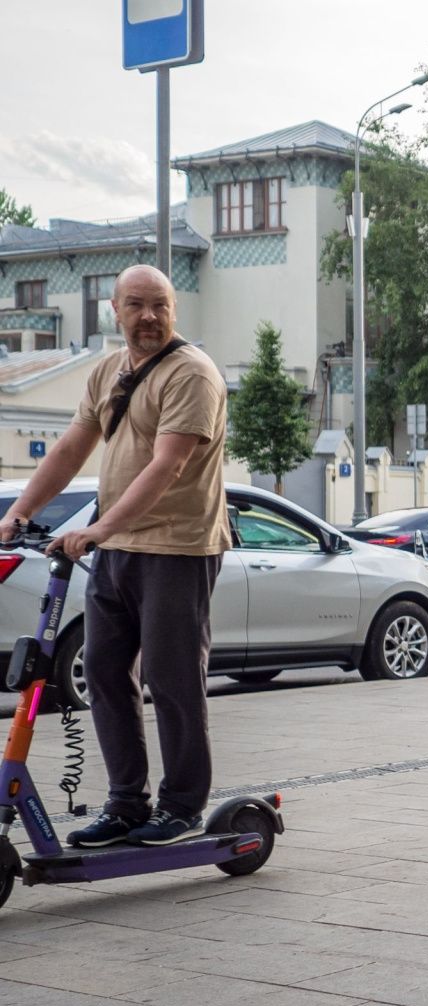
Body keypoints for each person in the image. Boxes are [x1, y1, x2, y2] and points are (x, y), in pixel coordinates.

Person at [0, 265, 229, 846]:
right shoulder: (107, 370)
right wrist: (18, 512)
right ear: (115, 310)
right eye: (135, 305)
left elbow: (168, 465)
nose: (148, 316)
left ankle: (182, 807)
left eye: (159, 305)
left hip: (177, 548)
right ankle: (127, 803)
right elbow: (72, 448)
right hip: (118, 549)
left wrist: (96, 528)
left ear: (174, 310)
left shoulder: (191, 374)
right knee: (102, 671)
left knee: (171, 676)